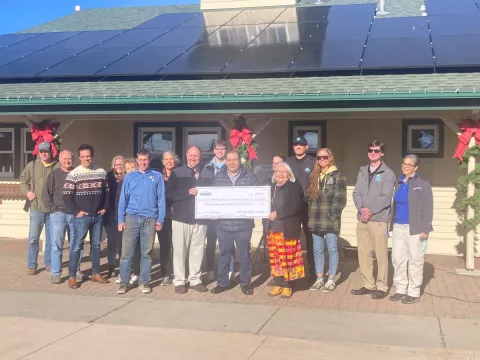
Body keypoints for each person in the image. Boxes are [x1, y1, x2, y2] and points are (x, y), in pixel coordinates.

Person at [117, 149, 165, 295]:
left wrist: (160, 219)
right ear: (137, 161)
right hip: (131, 217)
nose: (143, 162)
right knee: (126, 253)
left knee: (147, 253)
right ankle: (124, 283)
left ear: (149, 160)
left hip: (150, 219)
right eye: (141, 160)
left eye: (146, 160)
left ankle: (144, 282)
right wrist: (120, 219)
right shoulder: (130, 177)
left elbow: (161, 199)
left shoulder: (157, 176)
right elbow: (123, 199)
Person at [352, 140, 396, 300]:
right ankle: (368, 284)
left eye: (376, 151)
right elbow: (356, 193)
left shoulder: (388, 173)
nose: (372, 153)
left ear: (382, 153)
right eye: (370, 150)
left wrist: (370, 211)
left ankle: (382, 286)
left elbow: (386, 198)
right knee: (363, 253)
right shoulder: (362, 171)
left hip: (378, 219)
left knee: (381, 254)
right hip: (362, 219)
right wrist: (361, 209)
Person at [210, 150, 258, 296]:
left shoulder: (250, 176)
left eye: (234, 160)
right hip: (223, 224)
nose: (231, 163)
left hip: (243, 225)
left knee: (244, 255)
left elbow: (257, 197)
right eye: (229, 160)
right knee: (224, 254)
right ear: (226, 161)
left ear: (240, 161)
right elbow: (213, 197)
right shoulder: (219, 177)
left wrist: (254, 211)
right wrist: (212, 211)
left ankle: (245, 283)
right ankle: (222, 283)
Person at [166, 145, 211, 294]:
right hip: (181, 219)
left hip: (201, 219)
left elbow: (213, 194)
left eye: (196, 156)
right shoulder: (177, 172)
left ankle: (195, 279)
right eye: (191, 155)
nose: (193, 158)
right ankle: (179, 281)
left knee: (197, 250)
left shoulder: (208, 172)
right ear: (186, 155)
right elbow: (169, 194)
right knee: (180, 251)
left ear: (201, 156)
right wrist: (187, 192)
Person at [64, 144, 109, 289]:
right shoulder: (74, 174)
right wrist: (76, 211)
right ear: (79, 157)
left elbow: (107, 193)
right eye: (83, 156)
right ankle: (72, 276)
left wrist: (104, 209)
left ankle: (96, 273)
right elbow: (67, 196)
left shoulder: (101, 172)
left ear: (92, 156)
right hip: (82, 217)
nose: (86, 159)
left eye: (88, 156)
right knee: (76, 246)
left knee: (96, 245)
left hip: (97, 216)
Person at [390, 154, 433, 304]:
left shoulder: (423, 184)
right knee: (397, 259)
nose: (405, 166)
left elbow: (428, 208)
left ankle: (414, 292)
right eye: (403, 163)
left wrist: (425, 229)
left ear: (416, 167)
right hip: (398, 226)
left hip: (415, 228)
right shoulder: (398, 182)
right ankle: (401, 289)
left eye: (409, 164)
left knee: (415, 259)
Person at [306, 148, 347, 292]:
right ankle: (319, 278)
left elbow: (341, 200)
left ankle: (331, 280)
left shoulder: (337, 176)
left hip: (330, 219)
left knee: (332, 249)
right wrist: (310, 213)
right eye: (319, 157)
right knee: (317, 249)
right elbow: (309, 198)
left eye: (324, 157)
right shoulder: (314, 176)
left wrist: (333, 214)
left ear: (330, 158)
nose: (321, 160)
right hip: (315, 219)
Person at [43, 150, 84, 283]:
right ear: (60, 160)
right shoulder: (54, 175)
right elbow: (46, 194)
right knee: (57, 246)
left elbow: (84, 194)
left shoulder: (77, 174)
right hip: (58, 215)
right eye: (64, 159)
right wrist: (53, 210)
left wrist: (80, 211)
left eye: (69, 159)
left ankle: (76, 271)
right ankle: (56, 273)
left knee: (76, 245)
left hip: (75, 215)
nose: (67, 161)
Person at [266, 162, 305, 299]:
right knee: (276, 258)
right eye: (278, 172)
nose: (280, 174)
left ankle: (288, 286)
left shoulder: (293, 187)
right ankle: (277, 284)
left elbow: (296, 206)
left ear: (289, 175)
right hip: (273, 230)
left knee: (287, 259)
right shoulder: (271, 188)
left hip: (287, 229)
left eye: (284, 172)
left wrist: (278, 212)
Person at [20, 141, 59, 275]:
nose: (44, 153)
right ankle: (32, 265)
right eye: (41, 151)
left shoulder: (56, 166)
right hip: (36, 207)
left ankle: (48, 263)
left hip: (52, 209)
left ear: (50, 152)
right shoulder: (32, 165)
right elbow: (22, 181)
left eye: (46, 151)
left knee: (50, 237)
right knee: (33, 238)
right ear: (38, 152)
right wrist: (28, 192)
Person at [201, 140, 235, 283]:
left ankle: (230, 270)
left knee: (227, 242)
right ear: (213, 151)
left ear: (226, 151)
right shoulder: (206, 167)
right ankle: (210, 270)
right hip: (210, 212)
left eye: (222, 149)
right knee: (210, 243)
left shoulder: (231, 166)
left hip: (227, 212)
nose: (220, 151)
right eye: (217, 149)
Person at [286, 136, 316, 279]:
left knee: (310, 238)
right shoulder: (288, 162)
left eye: (301, 145)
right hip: (292, 207)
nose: (298, 147)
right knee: (292, 237)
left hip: (307, 206)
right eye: (296, 144)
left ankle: (312, 269)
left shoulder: (313, 162)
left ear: (306, 147)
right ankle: (292, 271)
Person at [114, 158, 140, 285]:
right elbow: (119, 202)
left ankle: (136, 272)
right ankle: (125, 273)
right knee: (124, 249)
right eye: (128, 168)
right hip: (124, 219)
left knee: (136, 248)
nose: (130, 171)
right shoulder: (122, 182)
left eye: (133, 168)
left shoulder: (141, 181)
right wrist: (120, 219)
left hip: (137, 218)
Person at [157, 151, 178, 286]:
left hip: (178, 215)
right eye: (166, 159)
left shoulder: (179, 174)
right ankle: (165, 274)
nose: (169, 161)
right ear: (163, 161)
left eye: (171, 159)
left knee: (178, 246)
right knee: (165, 246)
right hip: (163, 216)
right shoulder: (158, 176)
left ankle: (178, 273)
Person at [104, 155, 125, 278]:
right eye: (117, 164)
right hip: (110, 214)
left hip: (123, 214)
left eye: (121, 165)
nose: (119, 167)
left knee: (123, 242)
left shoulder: (127, 177)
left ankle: (123, 267)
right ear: (113, 166)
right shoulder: (108, 177)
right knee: (112, 241)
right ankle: (111, 266)